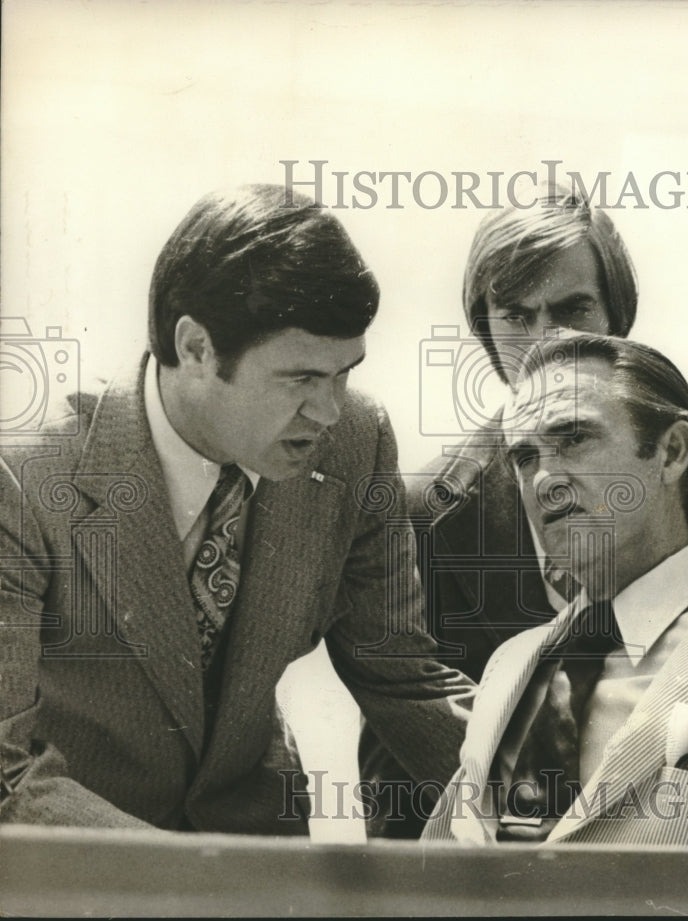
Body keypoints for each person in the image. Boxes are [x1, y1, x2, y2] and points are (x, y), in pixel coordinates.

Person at [0, 184, 473, 833]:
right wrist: (203, 884)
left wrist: (557, 811)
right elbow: (6, 773)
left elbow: (401, 678)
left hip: (259, 858)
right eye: (301, 378)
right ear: (195, 348)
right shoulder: (24, 477)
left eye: (344, 373)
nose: (329, 410)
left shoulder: (357, 444)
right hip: (84, 873)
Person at [359, 185, 688, 837]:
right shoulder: (428, 512)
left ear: (617, 316)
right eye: (517, 315)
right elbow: (395, 777)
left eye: (573, 308)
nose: (548, 340)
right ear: (484, 329)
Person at [422, 334, 688, 848]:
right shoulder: (509, 667)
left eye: (575, 438)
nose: (543, 480)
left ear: (671, 452)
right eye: (524, 457)